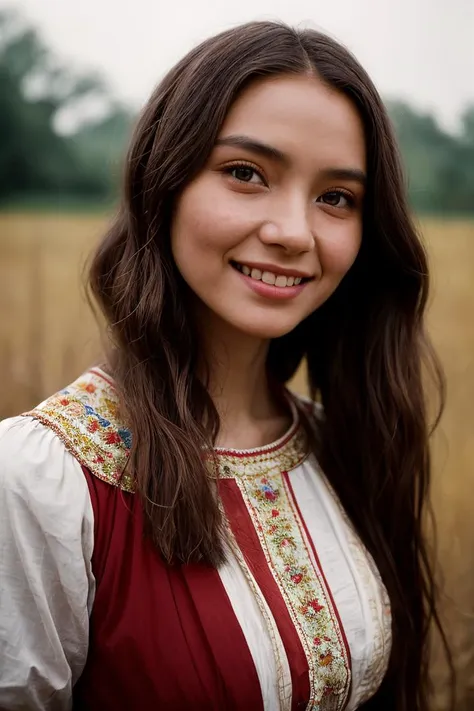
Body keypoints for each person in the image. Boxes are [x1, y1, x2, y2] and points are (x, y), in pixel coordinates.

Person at [0, 20, 453, 711]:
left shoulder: (345, 444)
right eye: (246, 173)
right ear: (165, 181)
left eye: (337, 197)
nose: (294, 232)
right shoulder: (41, 480)